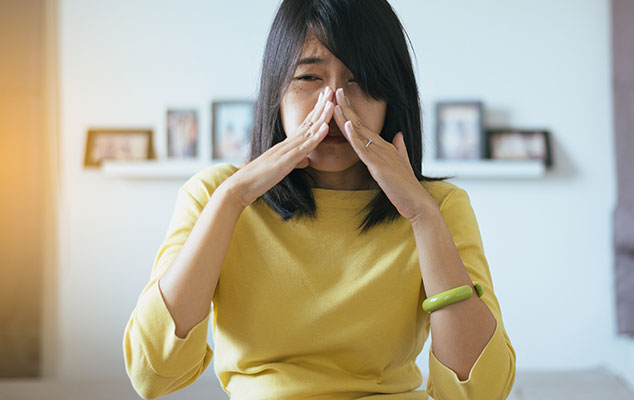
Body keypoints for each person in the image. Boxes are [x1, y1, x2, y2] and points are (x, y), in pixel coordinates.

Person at [122, 0, 516, 398]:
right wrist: (233, 198)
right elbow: (153, 375)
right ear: (276, 91)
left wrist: (422, 216)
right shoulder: (215, 195)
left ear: (391, 97)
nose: (333, 102)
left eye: (360, 79)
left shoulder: (438, 206)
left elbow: (481, 392)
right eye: (309, 77)